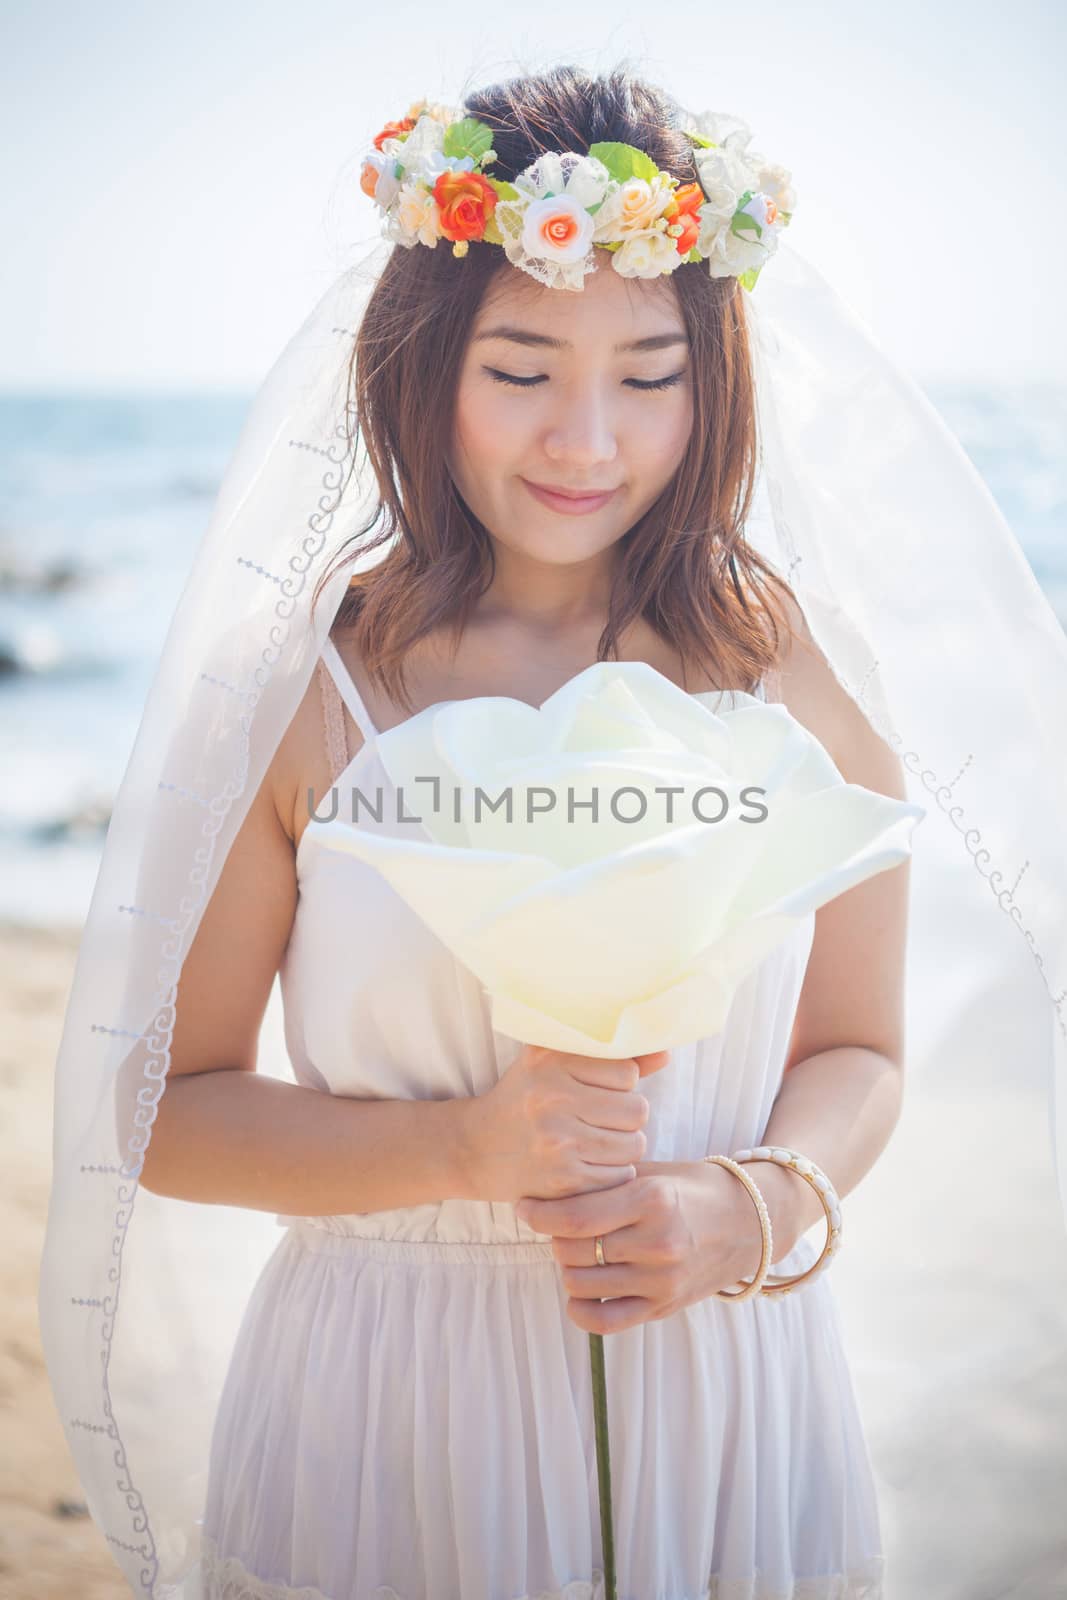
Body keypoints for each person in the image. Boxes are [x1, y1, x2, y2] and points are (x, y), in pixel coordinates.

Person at [38, 62, 1067, 1600]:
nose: (587, 436)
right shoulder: (305, 689)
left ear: (714, 379)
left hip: (725, 1375)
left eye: (650, 373)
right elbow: (163, 1112)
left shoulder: (792, 665)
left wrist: (753, 1204)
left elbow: (861, 1055)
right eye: (520, 368)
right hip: (388, 1399)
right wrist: (461, 1146)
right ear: (419, 365)